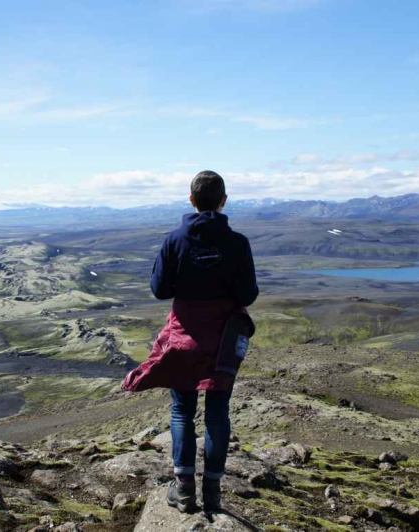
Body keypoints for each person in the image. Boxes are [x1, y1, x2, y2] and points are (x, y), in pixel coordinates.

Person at [122, 170, 259, 513]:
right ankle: (212, 492)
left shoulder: (174, 240)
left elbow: (159, 290)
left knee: (182, 410)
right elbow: (249, 294)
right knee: (217, 413)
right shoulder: (238, 243)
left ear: (191, 199)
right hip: (223, 340)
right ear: (224, 200)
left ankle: (183, 490)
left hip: (184, 336)